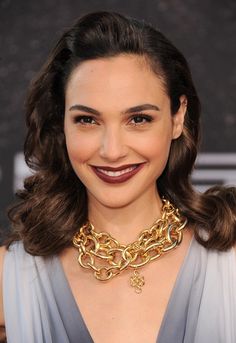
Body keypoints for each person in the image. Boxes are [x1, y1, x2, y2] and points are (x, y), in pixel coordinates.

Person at [0, 10, 235, 343]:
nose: (112, 151)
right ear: (61, 123)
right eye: (87, 120)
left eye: (138, 119)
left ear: (178, 117)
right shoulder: (10, 281)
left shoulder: (229, 262)